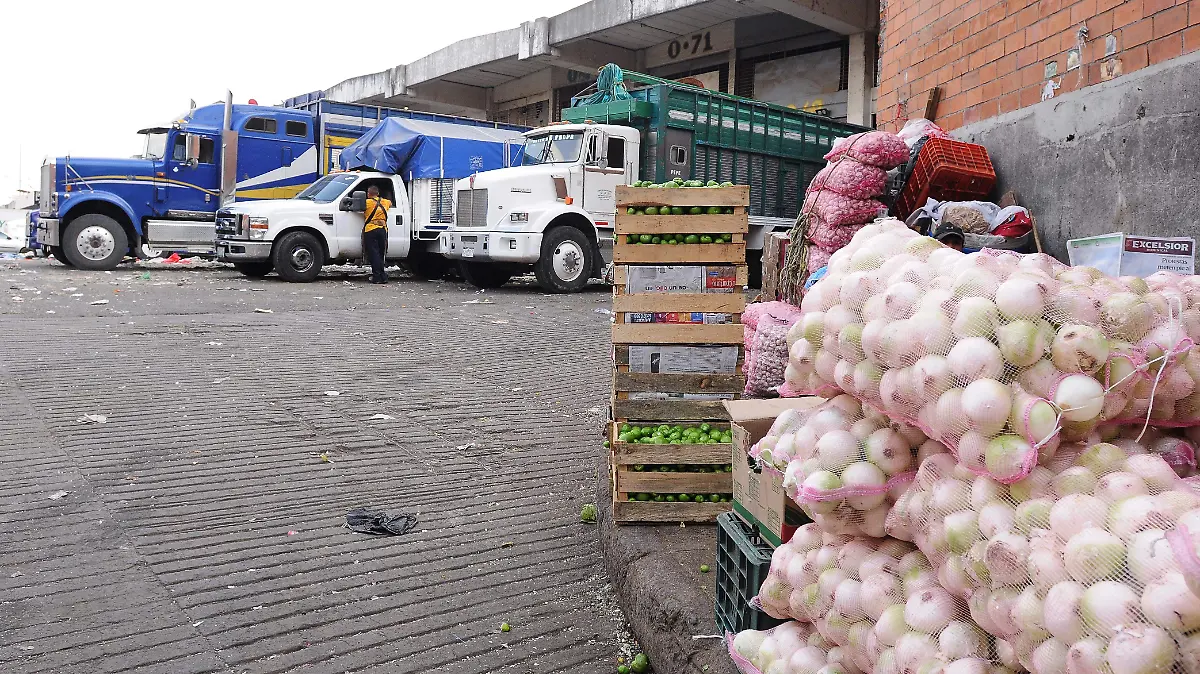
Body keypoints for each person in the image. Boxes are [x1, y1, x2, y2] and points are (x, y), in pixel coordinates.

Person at [362, 185, 391, 284]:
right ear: (378, 194)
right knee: (381, 254)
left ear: (368, 194)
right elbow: (390, 203)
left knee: (374, 254)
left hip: (371, 229)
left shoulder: (367, 202)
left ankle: (377, 277)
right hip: (383, 230)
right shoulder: (386, 202)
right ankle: (383, 276)